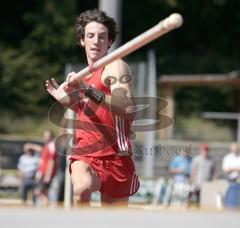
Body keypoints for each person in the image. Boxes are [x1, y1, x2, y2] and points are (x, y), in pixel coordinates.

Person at [45, 9, 140, 207]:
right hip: (86, 153)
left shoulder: (116, 67)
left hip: (117, 157)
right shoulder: (84, 75)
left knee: (114, 221)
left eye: (102, 37)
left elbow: (127, 108)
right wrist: (66, 100)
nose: (96, 41)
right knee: (82, 189)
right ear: (82, 40)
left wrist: (88, 90)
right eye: (91, 36)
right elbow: (88, 111)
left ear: (109, 41)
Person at [33, 130, 58, 207]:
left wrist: (48, 175)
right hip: (43, 172)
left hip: (46, 173)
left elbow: (52, 161)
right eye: (44, 136)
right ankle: (46, 205)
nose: (45, 138)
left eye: (47, 136)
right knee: (43, 192)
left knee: (38, 191)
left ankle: (48, 205)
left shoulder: (51, 146)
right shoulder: (47, 146)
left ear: (51, 137)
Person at [222, 143, 240, 209]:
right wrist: (236, 169)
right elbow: (226, 169)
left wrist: (232, 168)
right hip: (230, 180)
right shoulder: (228, 157)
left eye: (236, 148)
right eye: (234, 148)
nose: (235, 150)